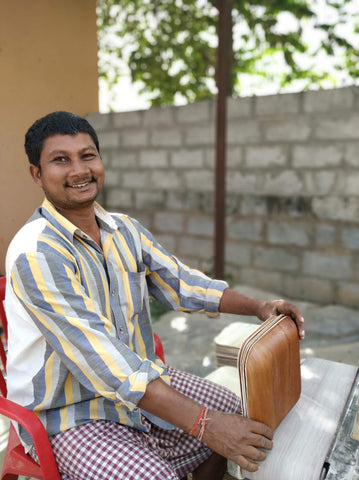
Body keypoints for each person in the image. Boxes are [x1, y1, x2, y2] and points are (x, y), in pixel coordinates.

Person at [5, 111, 305, 480]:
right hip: (69, 412)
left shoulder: (124, 229)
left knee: (246, 421)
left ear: (100, 161)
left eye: (87, 155)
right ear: (37, 174)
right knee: (171, 464)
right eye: (60, 160)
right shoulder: (37, 253)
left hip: (139, 379)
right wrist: (205, 425)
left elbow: (182, 283)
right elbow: (108, 364)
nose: (79, 170)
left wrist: (260, 306)